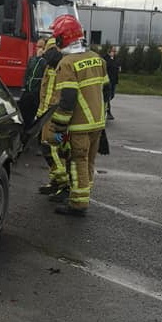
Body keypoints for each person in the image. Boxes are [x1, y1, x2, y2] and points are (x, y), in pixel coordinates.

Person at [48, 15, 110, 217]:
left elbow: (67, 98)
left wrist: (58, 126)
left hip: (78, 125)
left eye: (56, 37)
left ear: (63, 39)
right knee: (89, 161)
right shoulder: (98, 59)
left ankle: (78, 204)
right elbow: (106, 92)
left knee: (77, 161)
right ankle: (83, 194)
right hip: (97, 123)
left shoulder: (67, 63)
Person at [36, 37, 70, 198]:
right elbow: (44, 92)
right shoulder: (49, 66)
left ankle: (65, 185)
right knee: (47, 149)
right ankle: (55, 181)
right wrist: (40, 113)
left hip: (57, 116)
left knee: (55, 149)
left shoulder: (64, 67)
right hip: (46, 115)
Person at [18, 38, 46, 130]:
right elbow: (27, 73)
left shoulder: (45, 61)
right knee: (23, 111)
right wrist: (23, 87)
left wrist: (40, 57)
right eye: (37, 46)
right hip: (28, 91)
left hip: (37, 92)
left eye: (41, 46)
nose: (38, 48)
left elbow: (43, 69)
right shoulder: (32, 59)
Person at [103, 46, 119, 120]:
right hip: (108, 81)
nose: (115, 53)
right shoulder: (105, 59)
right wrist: (111, 59)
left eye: (115, 51)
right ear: (109, 52)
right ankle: (108, 112)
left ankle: (107, 110)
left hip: (113, 81)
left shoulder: (115, 59)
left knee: (112, 96)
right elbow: (107, 66)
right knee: (108, 96)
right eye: (113, 51)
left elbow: (116, 66)